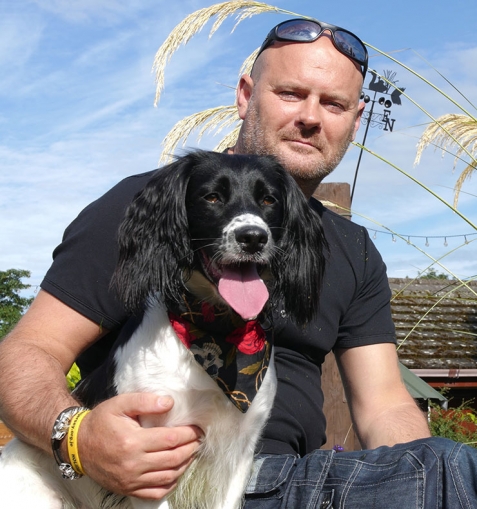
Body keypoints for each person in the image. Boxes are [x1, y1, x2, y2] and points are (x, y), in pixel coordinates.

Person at [0, 16, 476, 508]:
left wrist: (420, 477)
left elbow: (385, 405)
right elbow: (26, 352)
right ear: (246, 95)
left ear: (354, 123)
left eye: (333, 103)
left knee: (449, 468)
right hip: (127, 484)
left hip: (283, 480)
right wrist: (76, 436)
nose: (311, 117)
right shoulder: (148, 207)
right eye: (291, 92)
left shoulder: (352, 250)